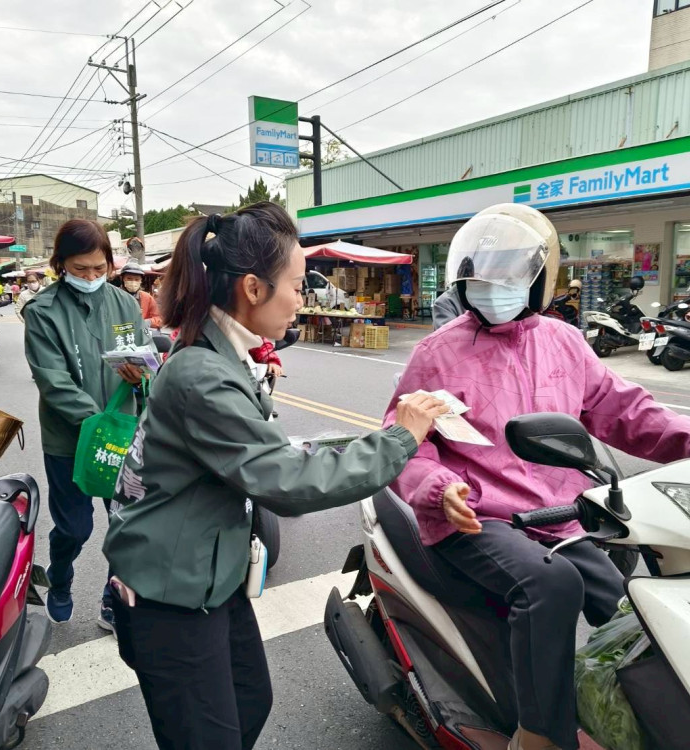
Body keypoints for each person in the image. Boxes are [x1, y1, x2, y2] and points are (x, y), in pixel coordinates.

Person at [382, 203, 690, 750]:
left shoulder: (564, 343)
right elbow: (403, 442)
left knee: (634, 608)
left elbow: (627, 411)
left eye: (507, 273)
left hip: (558, 517)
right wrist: (439, 489)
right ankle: (540, 735)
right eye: (481, 273)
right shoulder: (437, 352)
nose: (491, 285)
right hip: (477, 517)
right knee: (552, 586)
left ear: (540, 279)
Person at [102, 203, 447, 750]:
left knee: (250, 702)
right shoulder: (201, 375)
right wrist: (399, 439)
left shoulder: (219, 355)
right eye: (295, 285)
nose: (302, 299)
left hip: (208, 579)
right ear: (253, 290)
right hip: (171, 596)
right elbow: (286, 482)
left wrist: (376, 440)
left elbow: (266, 451)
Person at [24, 219, 148, 630]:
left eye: (99, 269)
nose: (91, 277)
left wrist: (142, 375)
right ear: (60, 265)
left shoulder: (126, 304)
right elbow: (53, 380)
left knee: (126, 524)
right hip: (70, 440)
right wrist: (94, 423)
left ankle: (114, 596)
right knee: (74, 528)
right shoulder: (43, 311)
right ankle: (60, 579)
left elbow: (142, 355)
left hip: (122, 437)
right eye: (80, 270)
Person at [119, 261, 162, 329]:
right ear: (122, 279)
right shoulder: (113, 296)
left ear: (141, 281)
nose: (133, 282)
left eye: (137, 279)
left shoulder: (147, 298)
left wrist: (148, 322)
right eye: (129, 279)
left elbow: (158, 319)